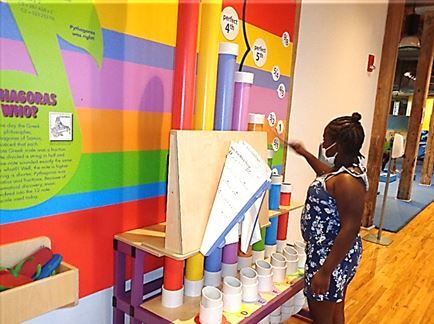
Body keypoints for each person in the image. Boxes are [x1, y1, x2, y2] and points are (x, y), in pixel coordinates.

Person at [288, 112, 367, 324]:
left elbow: (350, 229)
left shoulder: (347, 182)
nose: (323, 144)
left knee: (322, 317)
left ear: (338, 145)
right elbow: (327, 176)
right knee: (335, 311)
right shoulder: (344, 172)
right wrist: (305, 154)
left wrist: (325, 272)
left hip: (330, 256)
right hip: (332, 253)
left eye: (326, 140)